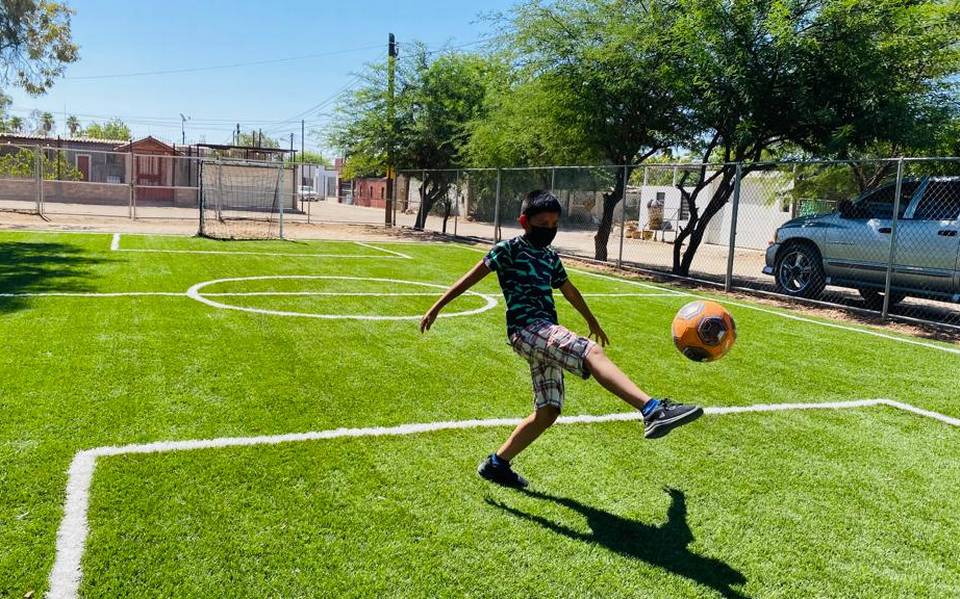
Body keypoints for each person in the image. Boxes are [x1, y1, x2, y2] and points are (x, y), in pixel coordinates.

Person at [420, 190, 702, 488]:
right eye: (543, 223)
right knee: (589, 351)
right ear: (525, 222)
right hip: (526, 330)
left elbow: (568, 289)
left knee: (549, 411)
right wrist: (437, 307)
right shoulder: (508, 250)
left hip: (543, 332)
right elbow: (470, 277)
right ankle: (652, 409)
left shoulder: (550, 256)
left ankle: (496, 464)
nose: (549, 229)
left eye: (554, 223)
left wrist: (591, 319)